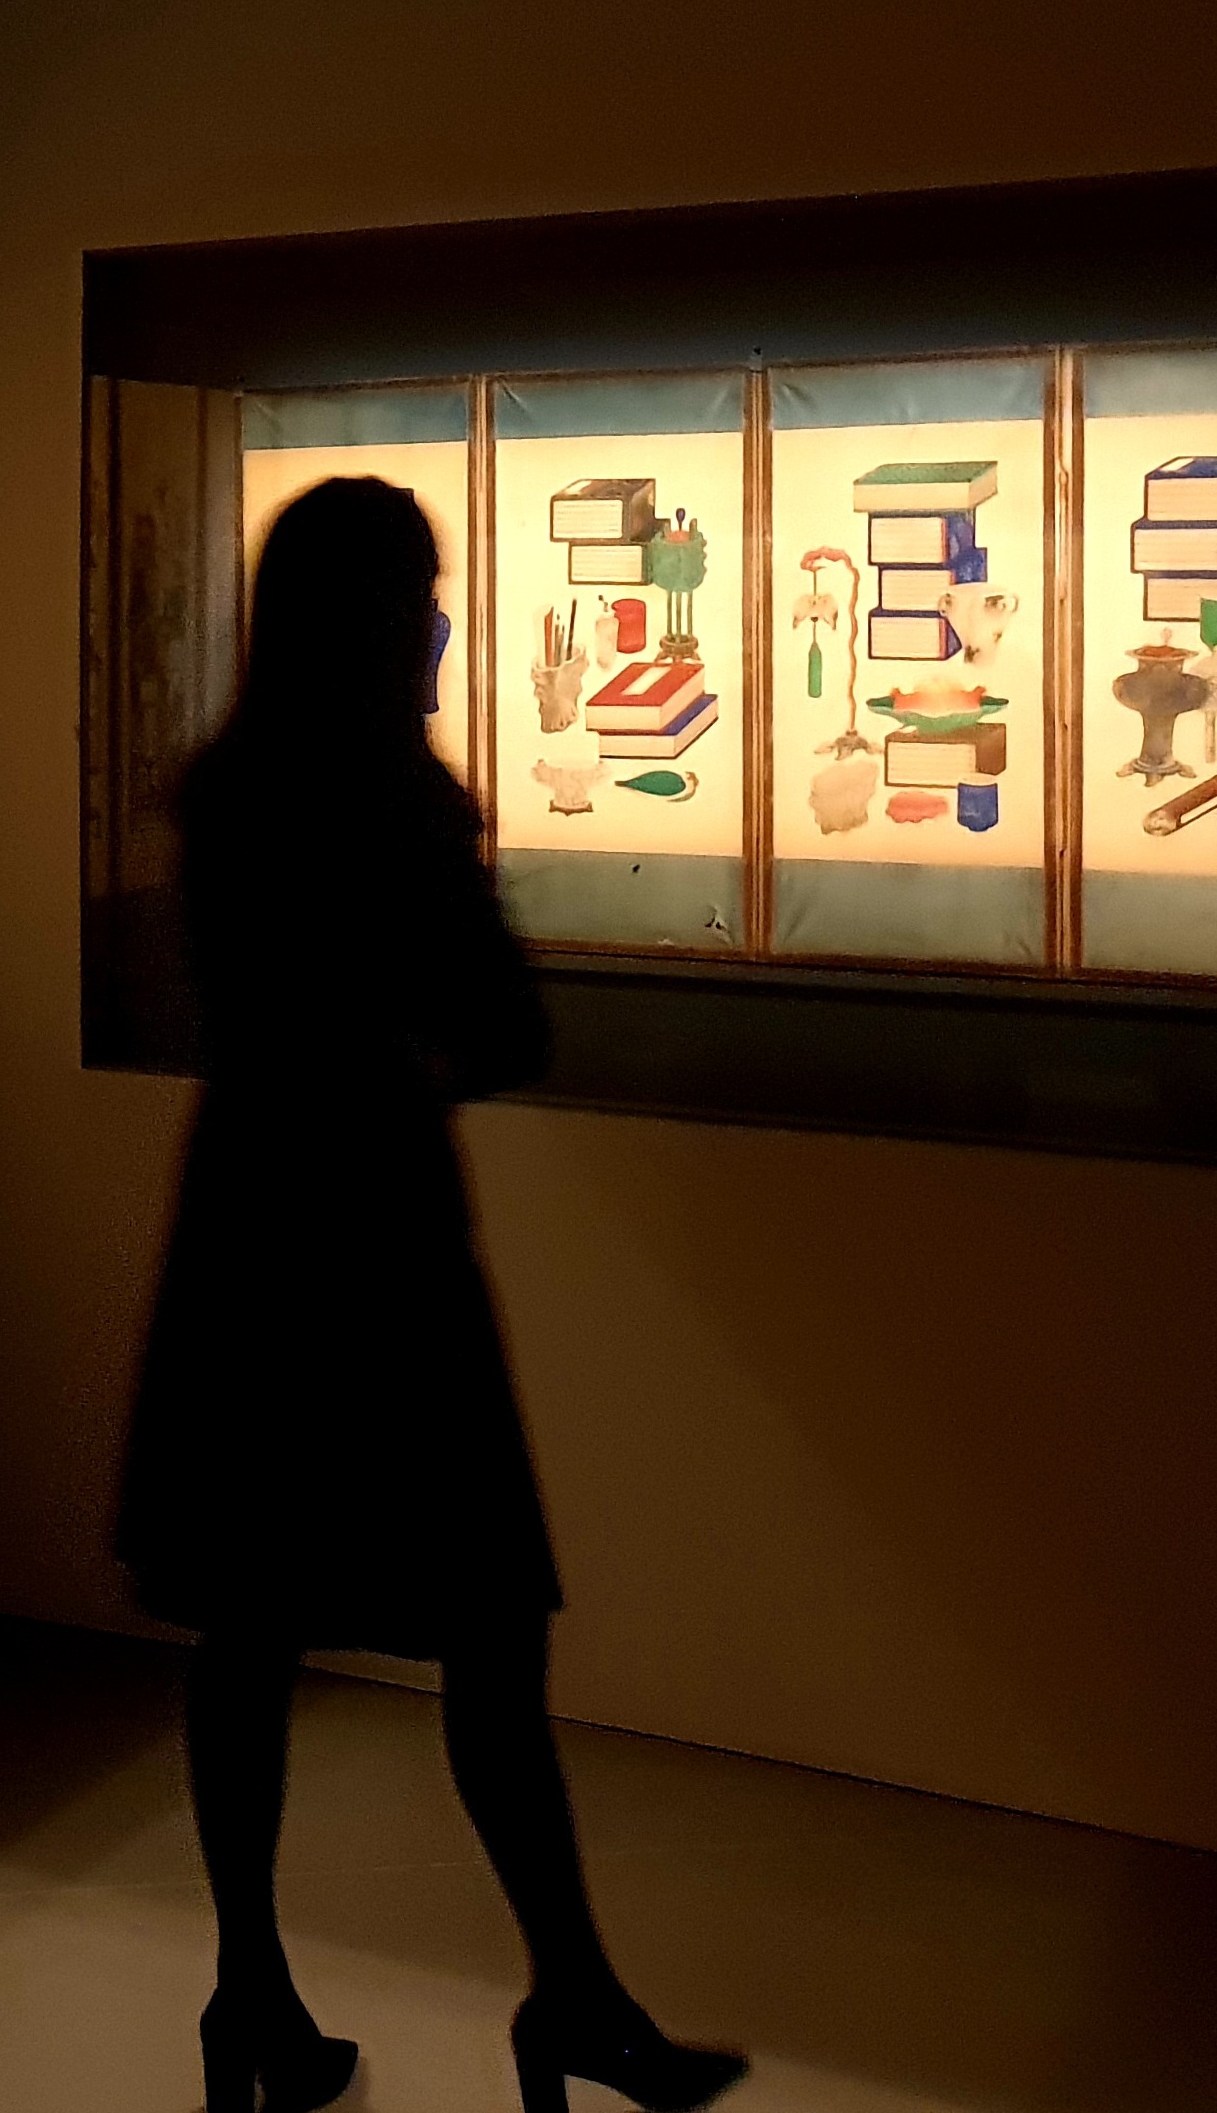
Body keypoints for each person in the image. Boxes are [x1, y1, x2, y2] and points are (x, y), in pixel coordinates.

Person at [117, 477, 746, 2113]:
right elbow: (508, 1026)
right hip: (382, 1254)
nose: (446, 627)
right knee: (489, 1632)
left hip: (249, 1239)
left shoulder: (230, 796)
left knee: (250, 1628)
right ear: (383, 620)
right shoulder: (400, 799)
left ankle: (252, 1992)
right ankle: (573, 1996)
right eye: (427, 597)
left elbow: (261, 1020)